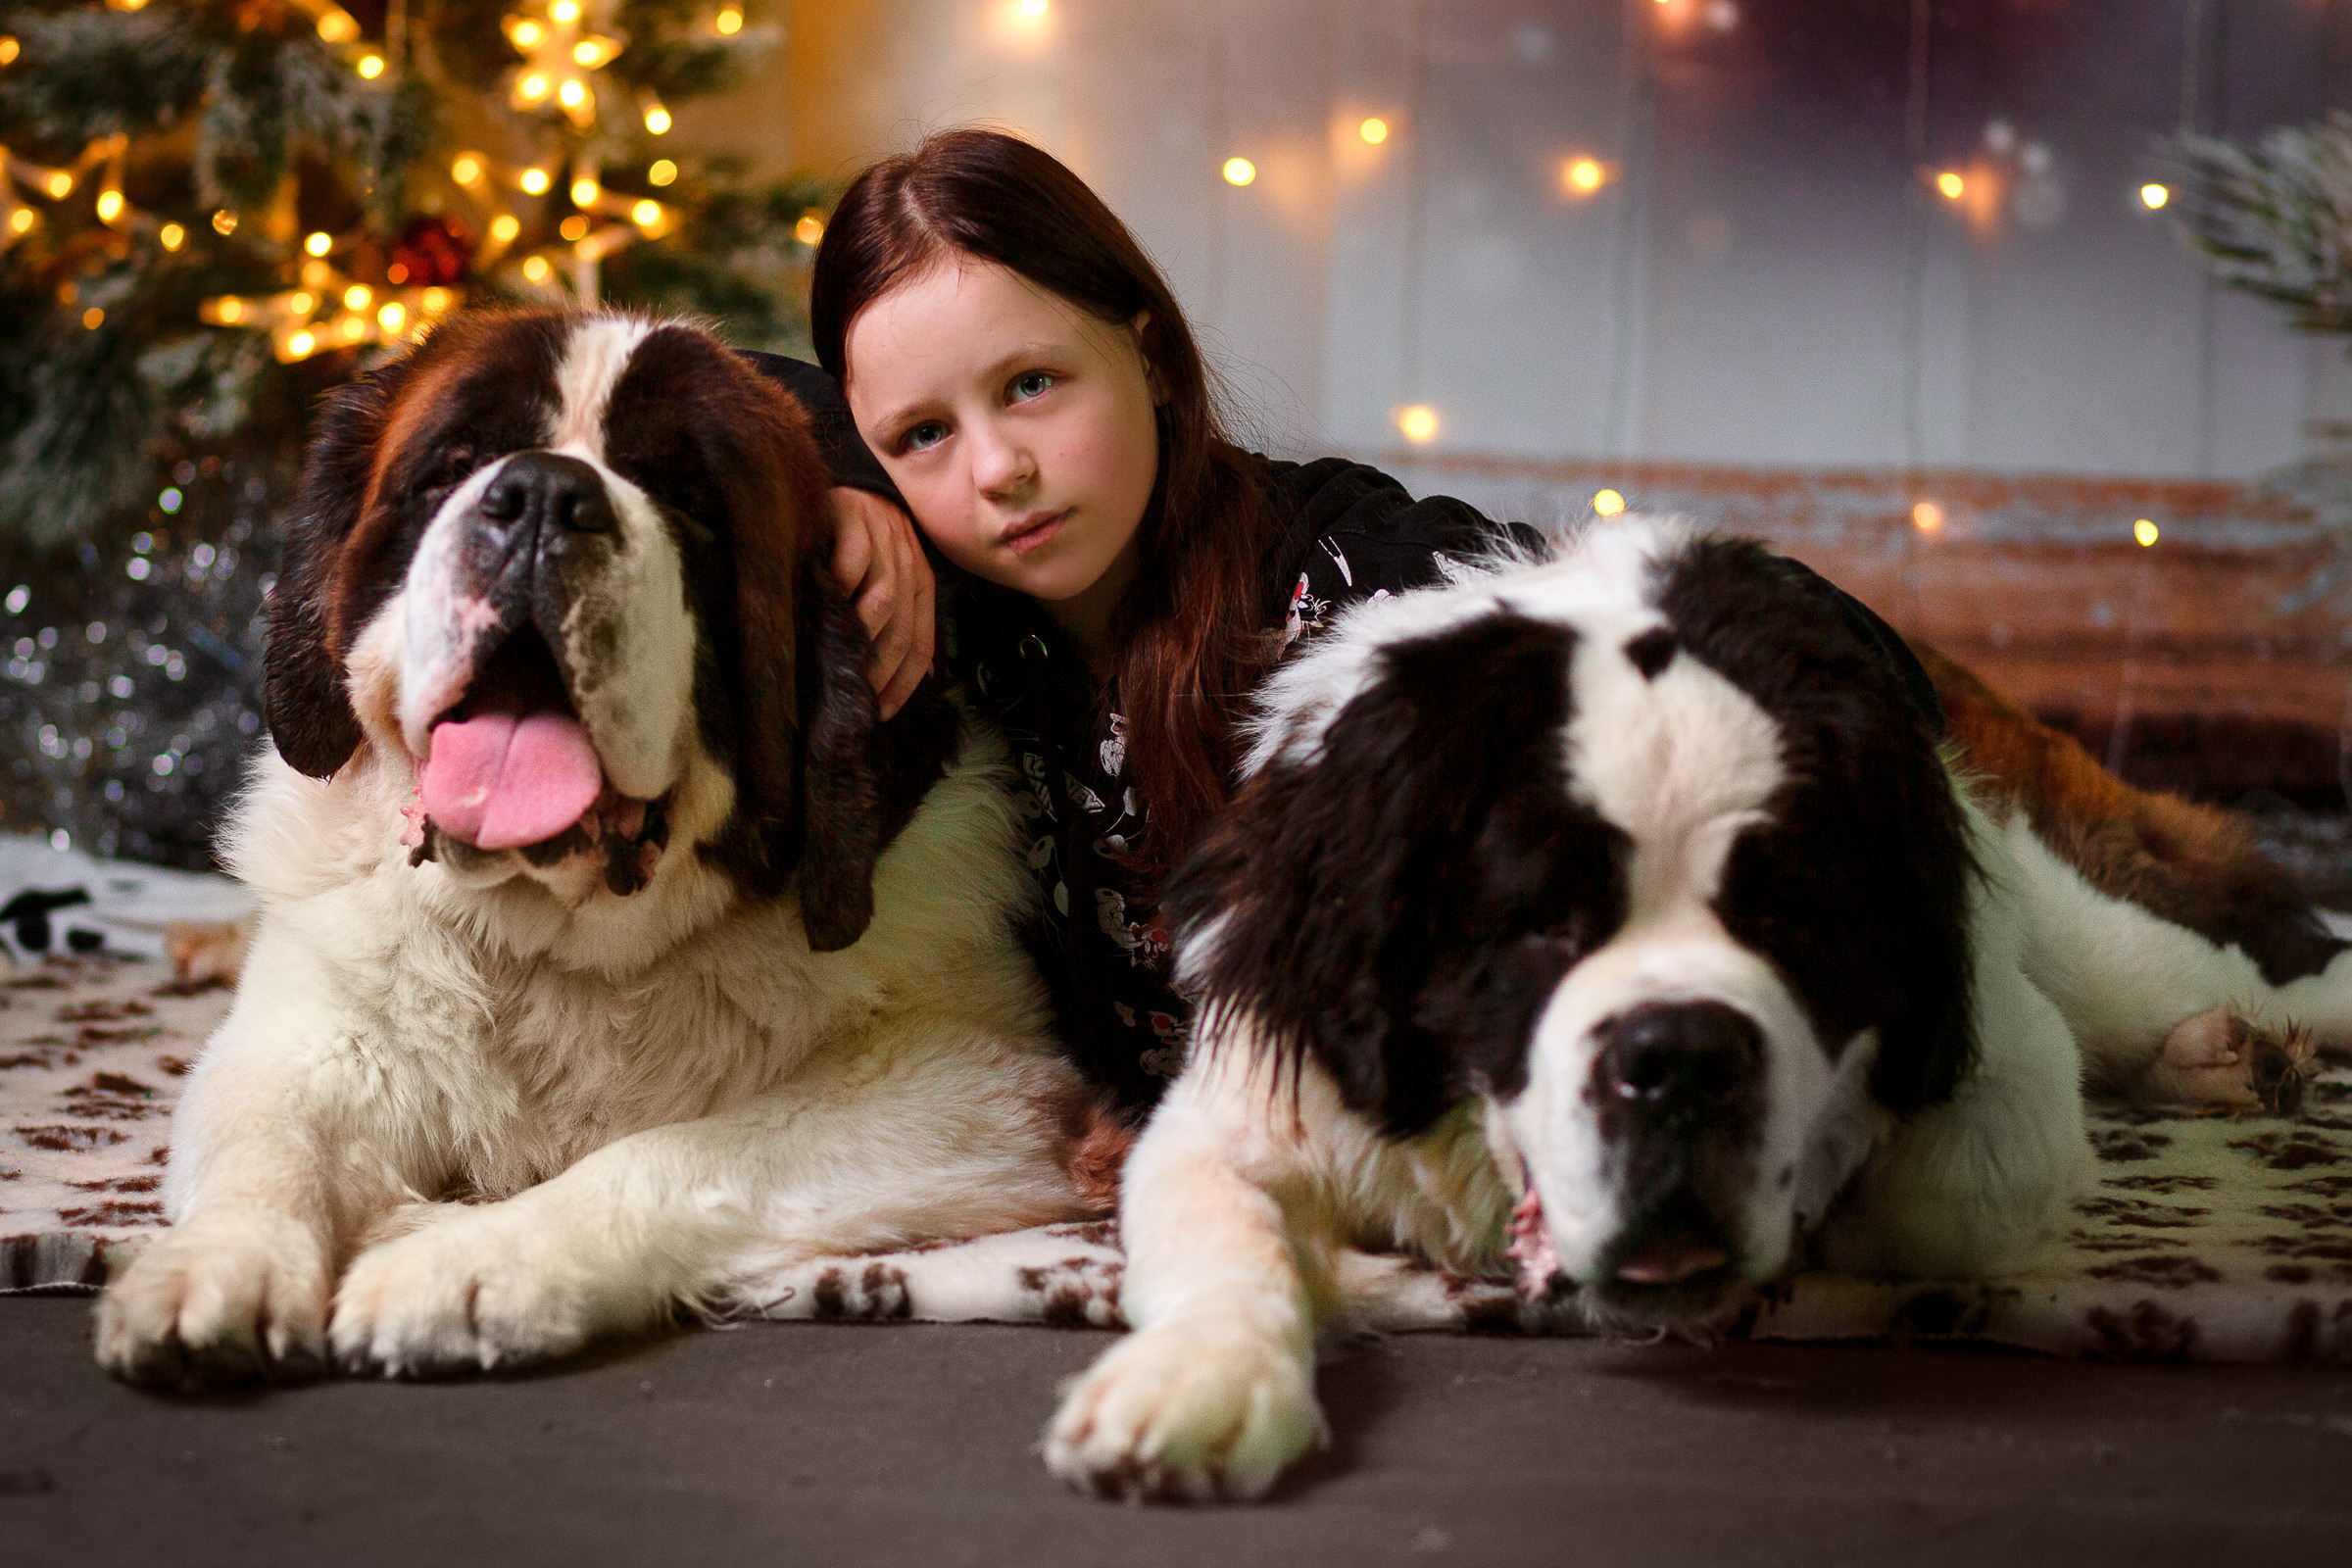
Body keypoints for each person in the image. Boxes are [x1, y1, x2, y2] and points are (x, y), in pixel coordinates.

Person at [755, 127, 1938, 1112]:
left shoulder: (1354, 583)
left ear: (1149, 355)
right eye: (924, 435)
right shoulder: (944, 606)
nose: (997, 469)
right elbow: (709, 392)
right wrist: (840, 487)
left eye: (1031, 385)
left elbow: (1846, 654)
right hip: (1132, 1180)